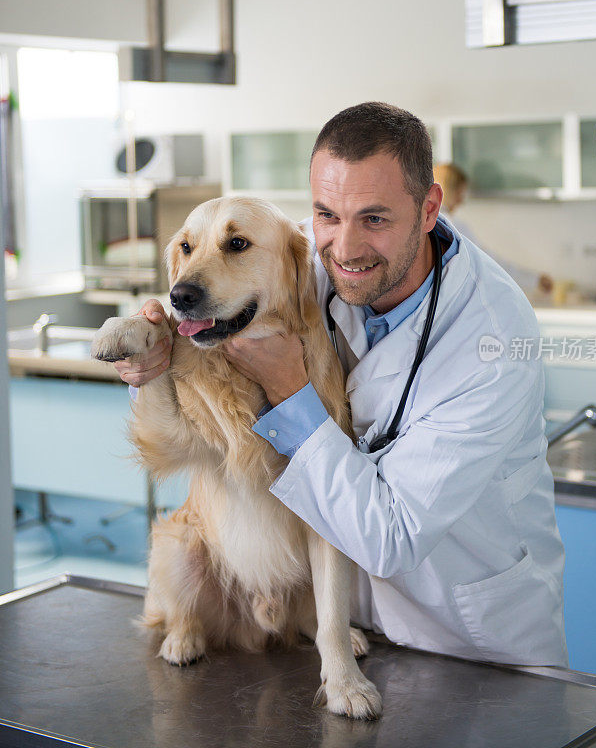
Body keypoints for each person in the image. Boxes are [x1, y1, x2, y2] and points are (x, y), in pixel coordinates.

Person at [115, 103, 568, 667]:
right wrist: (150, 367)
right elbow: (208, 335)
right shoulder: (302, 254)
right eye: (327, 214)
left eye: (375, 219)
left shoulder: (489, 345)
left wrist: (290, 390)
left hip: (467, 634)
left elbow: (391, 539)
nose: (346, 248)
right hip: (336, 622)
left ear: (429, 209)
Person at [433, 162, 553, 295]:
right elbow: (489, 262)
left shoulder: (429, 222)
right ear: (449, 191)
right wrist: (534, 280)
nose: (462, 201)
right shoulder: (454, 226)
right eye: (460, 193)